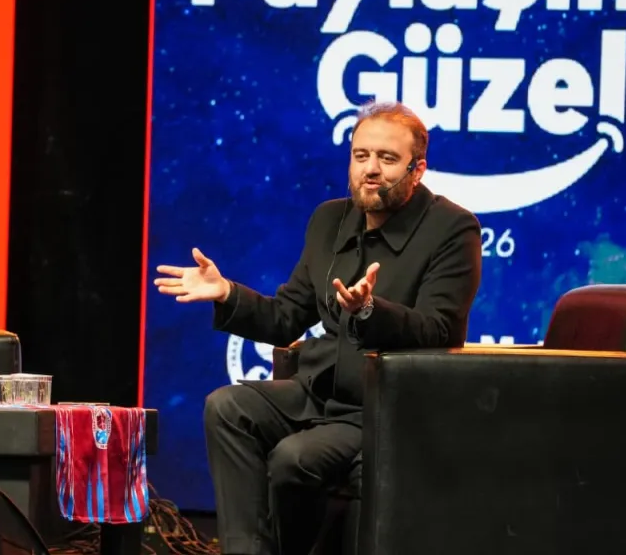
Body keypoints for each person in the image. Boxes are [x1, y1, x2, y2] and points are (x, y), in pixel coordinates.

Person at [153, 100, 482, 555]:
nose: (371, 169)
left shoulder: (453, 229)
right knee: (227, 407)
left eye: (387, 159)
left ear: (417, 169)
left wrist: (370, 312)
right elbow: (286, 317)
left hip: (383, 405)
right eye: (361, 155)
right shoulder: (329, 219)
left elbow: (439, 330)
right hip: (319, 389)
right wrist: (227, 292)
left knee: (295, 457)